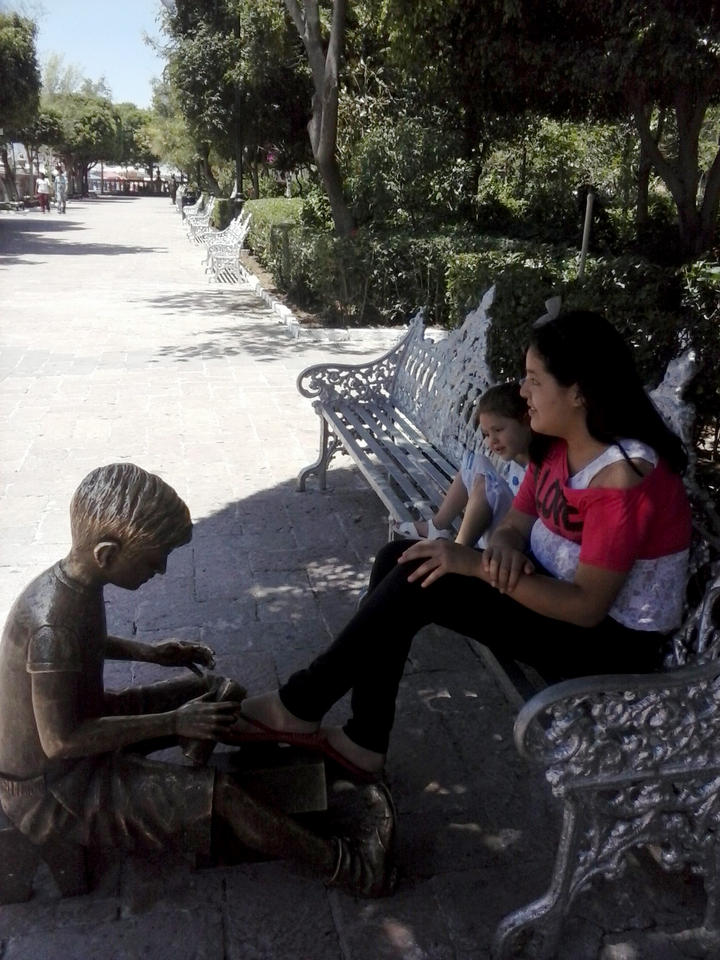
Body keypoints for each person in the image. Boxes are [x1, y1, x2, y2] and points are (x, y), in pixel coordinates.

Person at [230, 310, 692, 780]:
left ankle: (303, 704)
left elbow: (587, 608)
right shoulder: (556, 445)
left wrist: (474, 565)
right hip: (553, 593)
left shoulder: (622, 477)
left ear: (578, 391)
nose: (522, 392)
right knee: (402, 556)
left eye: (533, 380)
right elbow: (514, 522)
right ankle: (361, 736)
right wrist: (507, 544)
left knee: (426, 580)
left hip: (607, 643)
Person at [0, 463, 395, 897]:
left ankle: (191, 767)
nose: (163, 571)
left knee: (213, 693)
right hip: (57, 788)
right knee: (221, 793)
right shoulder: (51, 625)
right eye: (154, 560)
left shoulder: (72, 586)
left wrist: (150, 653)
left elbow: (83, 643)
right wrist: (173, 722)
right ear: (107, 554)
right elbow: (61, 741)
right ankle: (353, 868)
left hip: (82, 734)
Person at [392, 382, 531, 546]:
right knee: (477, 462)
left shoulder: (540, 468)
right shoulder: (516, 459)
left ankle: (459, 548)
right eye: (486, 434)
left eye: (498, 430)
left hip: (507, 542)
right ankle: (436, 526)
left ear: (527, 421)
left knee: (489, 487)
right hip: (499, 527)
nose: (492, 441)